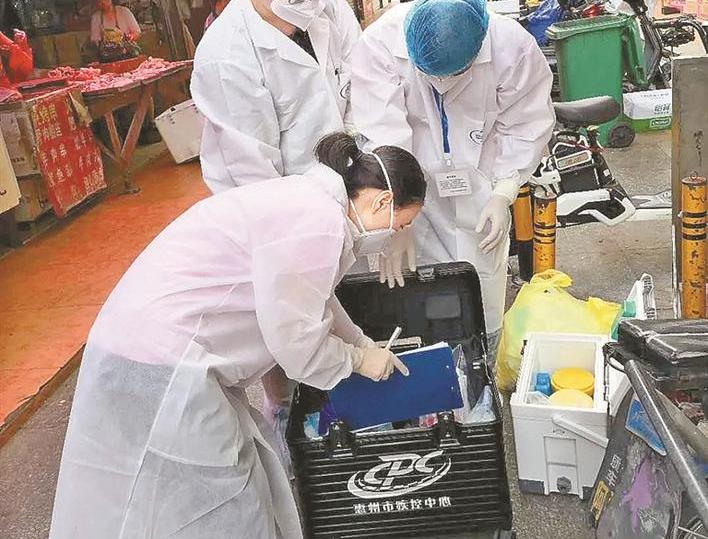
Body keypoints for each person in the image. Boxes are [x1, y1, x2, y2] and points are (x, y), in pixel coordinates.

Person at [48, 132, 426, 539]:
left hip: (150, 344)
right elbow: (298, 345)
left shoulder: (313, 204)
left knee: (164, 494)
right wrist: (358, 360)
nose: (394, 234)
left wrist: (360, 343)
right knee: (224, 497)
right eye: (401, 224)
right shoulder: (320, 225)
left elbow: (315, 299)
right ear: (383, 201)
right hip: (165, 361)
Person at [350, 0, 555, 361]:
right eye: (430, 74)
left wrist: (504, 192)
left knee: (480, 294)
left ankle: (481, 368)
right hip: (413, 193)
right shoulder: (381, 44)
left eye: (456, 72)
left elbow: (526, 125)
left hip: (483, 188)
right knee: (414, 298)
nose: (442, 84)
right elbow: (383, 136)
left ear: (480, 44)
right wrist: (398, 220)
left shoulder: (513, 48)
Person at [191, 0, 361, 194]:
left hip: (348, 177)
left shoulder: (333, 9)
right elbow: (257, 178)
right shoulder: (226, 56)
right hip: (281, 195)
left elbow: (361, 99)